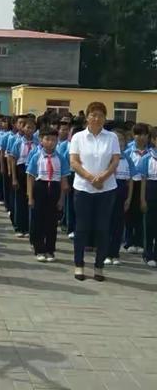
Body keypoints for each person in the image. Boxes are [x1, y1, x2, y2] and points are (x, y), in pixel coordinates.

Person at [69, 102, 120, 282]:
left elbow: (115, 161)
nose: (96, 118)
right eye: (93, 115)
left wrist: (103, 178)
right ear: (87, 117)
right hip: (83, 188)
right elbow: (74, 162)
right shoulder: (78, 137)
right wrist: (91, 178)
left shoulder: (111, 137)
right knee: (81, 228)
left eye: (100, 115)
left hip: (106, 189)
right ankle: (79, 265)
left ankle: (99, 267)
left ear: (105, 118)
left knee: (102, 228)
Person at [27, 128, 70, 262]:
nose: (50, 142)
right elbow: (30, 177)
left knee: (51, 222)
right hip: (40, 187)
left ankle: (50, 250)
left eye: (53, 140)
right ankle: (39, 249)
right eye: (47, 139)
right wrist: (30, 196)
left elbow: (64, 179)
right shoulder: (37, 156)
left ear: (57, 141)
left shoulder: (61, 158)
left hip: (55, 188)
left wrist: (62, 199)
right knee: (38, 220)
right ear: (41, 140)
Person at [105, 129, 135, 265]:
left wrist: (128, 199)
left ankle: (115, 254)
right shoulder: (105, 158)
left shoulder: (127, 159)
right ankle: (105, 253)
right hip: (107, 192)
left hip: (121, 192)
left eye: (121, 140)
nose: (119, 143)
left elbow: (131, 181)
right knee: (106, 224)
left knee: (118, 225)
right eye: (116, 140)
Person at [10, 118, 38, 238]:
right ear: (22, 128)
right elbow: (12, 159)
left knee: (31, 200)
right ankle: (19, 227)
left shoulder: (37, 143)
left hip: (33, 172)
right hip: (21, 170)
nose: (29, 130)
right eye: (27, 127)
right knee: (20, 200)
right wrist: (14, 178)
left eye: (32, 127)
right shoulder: (17, 142)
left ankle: (29, 227)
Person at [124, 123, 150, 253]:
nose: (140, 137)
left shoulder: (151, 152)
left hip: (146, 185)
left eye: (144, 134)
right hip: (131, 185)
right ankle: (129, 241)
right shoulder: (128, 151)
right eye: (137, 134)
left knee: (142, 214)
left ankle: (140, 242)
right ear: (133, 135)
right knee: (129, 214)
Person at [138, 129, 157, 267]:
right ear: (153, 140)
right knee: (149, 226)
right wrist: (143, 199)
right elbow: (143, 180)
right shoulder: (147, 158)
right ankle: (148, 254)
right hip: (151, 192)